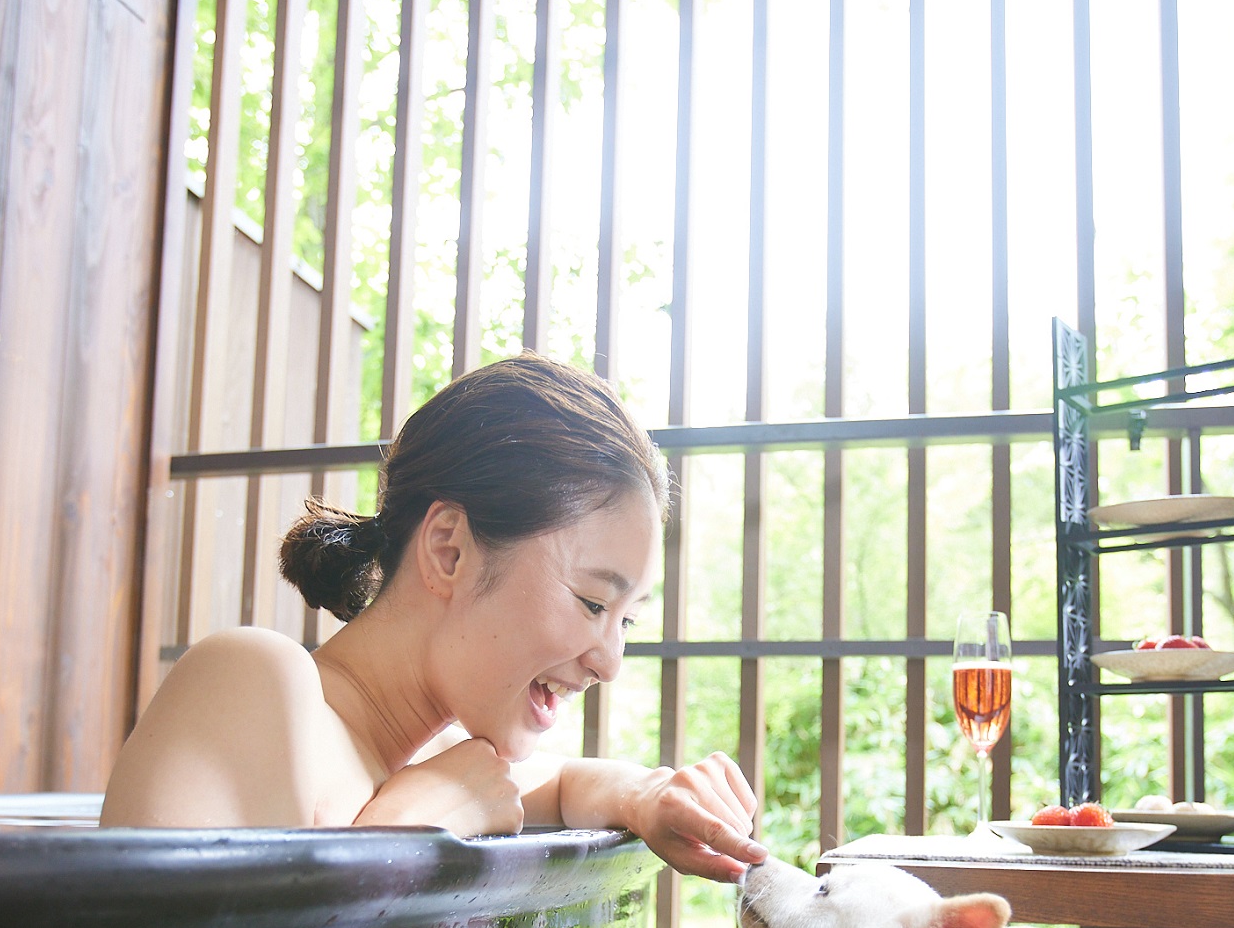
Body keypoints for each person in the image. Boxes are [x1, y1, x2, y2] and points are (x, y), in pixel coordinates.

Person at [101, 353, 765, 883]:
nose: (609, 661)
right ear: (449, 549)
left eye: (626, 621)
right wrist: (402, 834)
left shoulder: (448, 757)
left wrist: (650, 793)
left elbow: (567, 781)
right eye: (593, 603)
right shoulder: (252, 685)